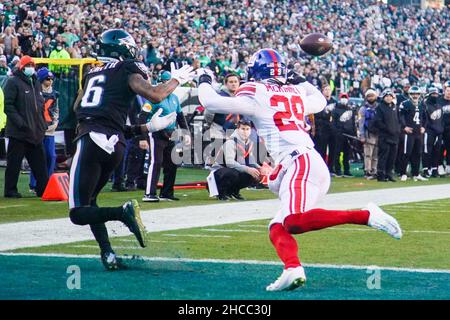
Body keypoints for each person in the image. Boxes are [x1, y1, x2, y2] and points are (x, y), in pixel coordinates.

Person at [198, 48, 402, 291]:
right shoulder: (294, 91)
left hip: (300, 162)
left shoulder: (256, 92)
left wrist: (204, 78)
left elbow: (209, 101)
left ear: (256, 72)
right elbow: (320, 100)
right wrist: (300, 79)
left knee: (293, 222)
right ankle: (292, 268)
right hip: (305, 161)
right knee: (277, 226)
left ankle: (365, 215)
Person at [69, 29, 195, 270]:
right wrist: (146, 127)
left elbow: (78, 108)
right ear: (122, 48)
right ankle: (108, 253)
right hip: (115, 145)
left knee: (77, 213)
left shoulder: (91, 73)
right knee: (91, 201)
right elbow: (152, 96)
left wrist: (174, 80)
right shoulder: (126, 68)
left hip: (91, 139)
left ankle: (122, 212)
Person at [3, 55, 49, 198]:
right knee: (14, 164)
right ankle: (10, 190)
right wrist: (21, 124)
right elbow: (8, 106)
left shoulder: (35, 82)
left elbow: (40, 105)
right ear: (22, 67)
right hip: (19, 132)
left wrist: (42, 125)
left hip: (35, 132)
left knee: (40, 165)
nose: (31, 68)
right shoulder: (13, 82)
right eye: (28, 65)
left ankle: (44, 189)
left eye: (32, 65)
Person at [142, 70, 191, 202]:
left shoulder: (174, 98)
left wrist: (186, 132)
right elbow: (142, 116)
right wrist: (142, 137)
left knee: (172, 163)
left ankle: (167, 192)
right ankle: (149, 193)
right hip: (156, 133)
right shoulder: (154, 97)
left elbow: (180, 116)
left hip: (170, 133)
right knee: (156, 162)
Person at [209, 119, 261, 200]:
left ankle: (233, 191)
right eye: (242, 129)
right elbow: (230, 163)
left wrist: (261, 169)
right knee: (233, 173)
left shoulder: (249, 143)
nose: (245, 132)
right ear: (237, 129)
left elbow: (251, 161)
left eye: (247, 129)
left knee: (256, 173)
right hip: (218, 173)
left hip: (232, 171)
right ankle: (221, 193)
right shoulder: (231, 142)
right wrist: (247, 169)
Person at [29, 67, 59, 192]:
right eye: (47, 79)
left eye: (51, 79)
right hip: (39, 129)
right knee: (38, 157)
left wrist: (55, 122)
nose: (50, 81)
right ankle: (34, 183)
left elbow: (56, 110)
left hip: (50, 129)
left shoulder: (55, 94)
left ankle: (49, 182)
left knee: (51, 156)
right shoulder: (35, 93)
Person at [398, 86, 428, 181]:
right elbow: (400, 116)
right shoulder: (405, 104)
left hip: (418, 133)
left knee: (418, 153)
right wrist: (404, 127)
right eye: (413, 94)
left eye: (417, 94)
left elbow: (425, 118)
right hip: (409, 133)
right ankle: (403, 173)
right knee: (406, 153)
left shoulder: (422, 104)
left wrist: (423, 127)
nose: (415, 96)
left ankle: (416, 173)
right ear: (409, 94)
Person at [373, 89, 401, 182]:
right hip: (384, 136)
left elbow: (398, 120)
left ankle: (389, 174)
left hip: (394, 136)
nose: (389, 98)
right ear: (383, 97)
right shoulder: (380, 107)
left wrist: (397, 129)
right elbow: (378, 122)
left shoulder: (394, 107)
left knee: (392, 157)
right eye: (387, 96)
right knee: (383, 156)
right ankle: (381, 175)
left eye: (390, 96)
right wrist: (388, 129)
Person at [331, 92, 356, 177]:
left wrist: (354, 133)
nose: (344, 99)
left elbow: (353, 123)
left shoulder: (350, 110)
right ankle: (338, 170)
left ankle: (346, 170)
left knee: (347, 153)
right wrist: (337, 133)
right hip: (339, 135)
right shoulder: (335, 110)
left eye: (345, 97)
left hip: (348, 135)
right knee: (337, 153)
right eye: (342, 97)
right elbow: (333, 123)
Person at [313, 84, 336, 173]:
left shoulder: (334, 102)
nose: (327, 91)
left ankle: (330, 168)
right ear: (322, 91)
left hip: (332, 130)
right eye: (326, 89)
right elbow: (316, 116)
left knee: (333, 150)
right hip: (322, 130)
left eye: (329, 89)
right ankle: (321, 168)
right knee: (321, 150)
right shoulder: (319, 101)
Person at [422, 87, 444, 177]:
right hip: (429, 132)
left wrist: (441, 129)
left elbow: (441, 119)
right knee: (427, 151)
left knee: (437, 151)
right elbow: (425, 120)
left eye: (436, 94)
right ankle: (426, 170)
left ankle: (434, 169)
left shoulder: (439, 106)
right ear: (429, 95)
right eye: (433, 94)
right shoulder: (425, 106)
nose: (435, 96)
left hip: (438, 133)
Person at [358, 88, 378, 179]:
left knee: (376, 154)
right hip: (368, 133)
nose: (370, 98)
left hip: (377, 133)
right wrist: (362, 135)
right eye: (368, 96)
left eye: (372, 96)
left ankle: (374, 170)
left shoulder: (379, 107)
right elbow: (361, 123)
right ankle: (367, 170)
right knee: (368, 154)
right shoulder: (363, 109)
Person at [440, 81, 450, 174]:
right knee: (440, 148)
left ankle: (448, 165)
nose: (449, 92)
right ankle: (439, 166)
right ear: (444, 90)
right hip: (440, 129)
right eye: (448, 90)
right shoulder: (439, 100)